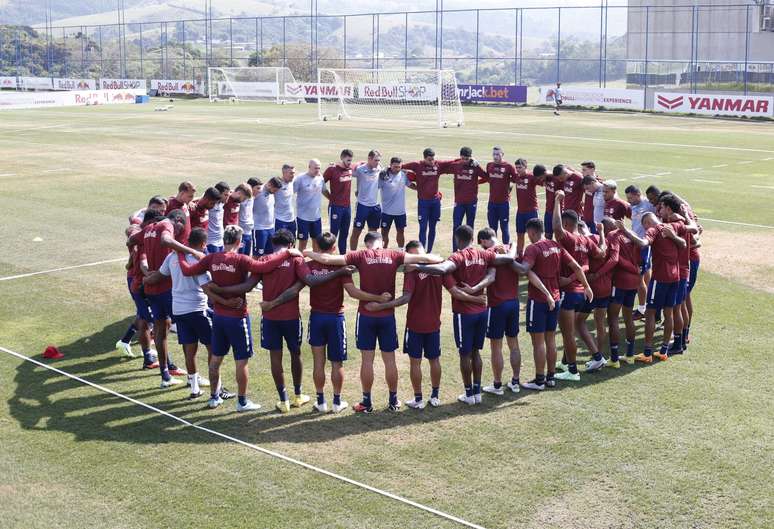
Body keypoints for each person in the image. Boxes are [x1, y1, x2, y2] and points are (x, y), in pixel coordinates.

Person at [303, 232, 443, 413]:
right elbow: (427, 257)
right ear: (382, 242)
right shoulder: (393, 255)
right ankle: (393, 401)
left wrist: (307, 252)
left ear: (366, 244)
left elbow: (327, 259)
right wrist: (433, 259)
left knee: (367, 361)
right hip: (387, 316)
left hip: (366, 314)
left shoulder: (360, 255)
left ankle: (367, 402)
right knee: (390, 360)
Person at [177, 225, 301, 411]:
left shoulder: (212, 258)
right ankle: (242, 402)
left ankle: (214, 397)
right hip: (237, 317)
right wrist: (288, 253)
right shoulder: (242, 259)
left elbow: (187, 271)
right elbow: (264, 266)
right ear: (238, 242)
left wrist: (179, 251)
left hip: (218, 317)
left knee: (216, 359)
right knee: (241, 360)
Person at [366, 240, 484, 409]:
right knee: (434, 360)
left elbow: (405, 298)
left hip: (415, 324)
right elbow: (455, 291)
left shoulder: (412, 270)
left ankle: (418, 399)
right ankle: (435, 397)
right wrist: (476, 298)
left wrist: (380, 306)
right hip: (434, 324)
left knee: (416, 362)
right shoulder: (439, 267)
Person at [413, 225, 520, 405]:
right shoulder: (483, 254)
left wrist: (417, 265)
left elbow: (442, 269)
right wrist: (514, 244)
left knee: (464, 354)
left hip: (464, 314)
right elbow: (509, 258)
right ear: (472, 238)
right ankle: (477, 392)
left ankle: (469, 394)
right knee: (476, 352)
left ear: (457, 238)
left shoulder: (458, 256)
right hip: (481, 312)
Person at [144, 228, 237, 399]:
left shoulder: (171, 257)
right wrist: (226, 302)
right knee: (213, 350)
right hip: (197, 310)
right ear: (203, 244)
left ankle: (194, 389)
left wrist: (146, 279)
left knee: (189, 350)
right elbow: (207, 288)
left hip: (178, 311)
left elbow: (159, 276)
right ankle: (218, 390)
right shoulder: (197, 261)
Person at [129, 209, 204, 388]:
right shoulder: (166, 224)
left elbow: (131, 240)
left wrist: (143, 267)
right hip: (166, 290)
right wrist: (192, 252)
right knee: (187, 333)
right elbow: (166, 240)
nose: (179, 231)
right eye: (181, 226)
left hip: (152, 290)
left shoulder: (147, 230)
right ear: (177, 220)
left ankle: (165, 376)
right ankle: (193, 378)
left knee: (161, 330)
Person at [303, 232, 377, 413]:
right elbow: (353, 292)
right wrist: (376, 298)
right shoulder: (340, 266)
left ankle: (320, 402)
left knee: (318, 363)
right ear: (334, 247)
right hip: (335, 318)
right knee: (337, 363)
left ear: (317, 248)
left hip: (317, 317)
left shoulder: (310, 265)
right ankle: (337, 402)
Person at [477, 228, 553, 396]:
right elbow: (524, 270)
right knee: (514, 344)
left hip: (497, 305)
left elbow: (490, 277)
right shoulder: (512, 249)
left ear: (483, 241)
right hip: (513, 303)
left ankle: (497, 385)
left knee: (496, 346)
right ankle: (516, 381)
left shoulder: (490, 254)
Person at [520, 218, 587, 390]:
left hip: (539, 299)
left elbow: (524, 270)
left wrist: (508, 258)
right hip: (556, 298)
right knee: (551, 339)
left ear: (532, 232)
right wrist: (586, 286)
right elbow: (577, 267)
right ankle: (550, 377)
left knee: (538, 341)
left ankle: (539, 380)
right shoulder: (556, 246)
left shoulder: (533, 249)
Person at [615, 210, 687, 363]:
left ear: (647, 223)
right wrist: (677, 229)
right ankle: (663, 351)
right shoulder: (672, 226)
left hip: (660, 279)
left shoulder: (652, 230)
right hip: (675, 277)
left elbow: (642, 243)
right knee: (669, 313)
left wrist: (625, 230)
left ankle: (647, 353)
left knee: (650, 313)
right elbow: (685, 242)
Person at [552, 190, 600, 382]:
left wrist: (557, 202)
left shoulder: (570, 238)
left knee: (567, 334)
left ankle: (572, 371)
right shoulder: (585, 240)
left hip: (570, 294)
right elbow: (594, 259)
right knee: (572, 331)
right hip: (582, 292)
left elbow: (556, 228)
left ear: (566, 224)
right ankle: (568, 363)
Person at [576, 219, 619, 372]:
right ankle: (599, 356)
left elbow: (583, 266)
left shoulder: (584, 243)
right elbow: (610, 258)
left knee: (578, 321)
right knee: (600, 322)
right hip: (606, 287)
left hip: (592, 288)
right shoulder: (602, 239)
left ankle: (597, 357)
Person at [118, 223, 157, 368]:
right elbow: (141, 265)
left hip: (138, 280)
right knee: (147, 318)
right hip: (138, 282)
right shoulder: (139, 245)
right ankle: (149, 355)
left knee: (144, 316)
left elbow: (129, 265)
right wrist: (152, 275)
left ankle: (125, 341)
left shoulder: (137, 247)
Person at [604, 216, 641, 366]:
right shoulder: (630, 233)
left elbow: (616, 258)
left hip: (620, 281)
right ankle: (630, 355)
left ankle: (614, 359)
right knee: (628, 317)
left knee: (612, 319)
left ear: (607, 228)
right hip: (634, 282)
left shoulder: (612, 236)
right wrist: (636, 269)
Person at [402, 148, 451, 252]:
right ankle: (422, 251)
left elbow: (452, 162)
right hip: (423, 202)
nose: (432, 161)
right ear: (424, 158)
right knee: (423, 227)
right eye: (429, 159)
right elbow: (400, 166)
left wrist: (469, 159)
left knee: (433, 227)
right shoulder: (417, 165)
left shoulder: (437, 165)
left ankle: (429, 251)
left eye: (433, 159)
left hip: (435, 202)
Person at [442, 146, 487, 251]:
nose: (465, 161)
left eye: (467, 159)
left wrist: (477, 181)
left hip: (471, 202)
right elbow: (442, 167)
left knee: (470, 226)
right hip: (459, 202)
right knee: (456, 226)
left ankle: (468, 250)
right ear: (460, 157)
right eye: (463, 158)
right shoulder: (455, 166)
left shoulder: (475, 166)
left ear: (471, 157)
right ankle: (455, 251)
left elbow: (486, 177)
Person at [625, 184, 656, 319]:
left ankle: (642, 309)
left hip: (645, 244)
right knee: (645, 276)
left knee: (639, 278)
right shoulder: (633, 206)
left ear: (638, 194)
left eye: (631, 198)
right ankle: (648, 305)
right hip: (636, 244)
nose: (629, 201)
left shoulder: (648, 205)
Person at [481, 146, 517, 246]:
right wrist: (475, 182)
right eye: (494, 154)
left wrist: (510, 185)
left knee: (504, 227)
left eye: (497, 154)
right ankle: (493, 250)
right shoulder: (489, 165)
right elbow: (487, 178)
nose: (495, 156)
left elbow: (516, 179)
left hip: (503, 203)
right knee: (492, 229)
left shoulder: (508, 166)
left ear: (502, 154)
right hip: (492, 203)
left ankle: (506, 250)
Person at [350, 150, 383, 250]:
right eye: (375, 160)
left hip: (375, 206)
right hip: (363, 206)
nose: (377, 162)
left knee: (373, 233)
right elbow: (347, 169)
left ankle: (371, 254)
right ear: (369, 159)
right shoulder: (360, 170)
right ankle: (353, 254)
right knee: (356, 231)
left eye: (378, 160)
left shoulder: (380, 168)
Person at [323, 149, 354, 254]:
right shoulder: (332, 170)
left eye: (351, 160)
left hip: (347, 207)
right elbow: (320, 184)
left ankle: (343, 256)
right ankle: (329, 256)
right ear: (342, 158)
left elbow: (361, 163)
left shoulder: (350, 168)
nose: (349, 163)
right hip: (335, 207)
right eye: (348, 160)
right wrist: (330, 197)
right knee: (333, 234)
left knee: (344, 233)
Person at [378, 156, 412, 249]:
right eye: (394, 167)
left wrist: (421, 189)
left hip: (400, 212)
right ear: (390, 165)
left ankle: (401, 251)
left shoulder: (403, 174)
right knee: (384, 233)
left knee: (401, 232)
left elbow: (410, 184)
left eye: (399, 167)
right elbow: (374, 187)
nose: (397, 169)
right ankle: (384, 252)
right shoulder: (383, 176)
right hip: (386, 212)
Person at [294, 159, 325, 252]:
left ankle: (314, 263)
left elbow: (324, 190)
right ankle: (300, 263)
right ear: (309, 167)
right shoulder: (300, 178)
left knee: (316, 241)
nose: (317, 170)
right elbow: (290, 192)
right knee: (303, 242)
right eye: (315, 168)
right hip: (303, 217)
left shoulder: (320, 178)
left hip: (316, 217)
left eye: (319, 168)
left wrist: (332, 199)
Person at [513, 157, 540, 255]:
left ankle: (538, 254)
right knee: (520, 234)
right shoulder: (516, 177)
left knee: (534, 235)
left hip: (531, 211)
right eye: (516, 167)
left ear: (525, 167)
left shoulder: (531, 177)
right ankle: (519, 255)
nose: (518, 169)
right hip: (520, 212)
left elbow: (542, 181)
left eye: (520, 167)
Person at [251, 177, 281, 257]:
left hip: (271, 228)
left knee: (269, 254)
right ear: (269, 185)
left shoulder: (271, 193)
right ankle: (255, 269)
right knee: (258, 255)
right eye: (274, 190)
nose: (275, 192)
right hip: (259, 229)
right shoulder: (258, 191)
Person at [207, 181, 231, 253]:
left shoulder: (221, 203)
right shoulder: (210, 205)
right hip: (211, 242)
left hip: (221, 242)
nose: (228, 197)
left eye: (228, 195)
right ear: (218, 194)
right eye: (225, 195)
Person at [274, 164, 297, 236]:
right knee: (279, 244)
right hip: (280, 220)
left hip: (292, 220)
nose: (293, 175)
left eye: (293, 173)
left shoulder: (293, 182)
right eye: (291, 173)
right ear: (284, 173)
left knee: (292, 244)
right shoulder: (277, 184)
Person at [534, 164, 556, 239]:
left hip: (557, 211)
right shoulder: (545, 179)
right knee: (547, 235)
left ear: (545, 173)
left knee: (559, 235)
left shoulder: (556, 178)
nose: (540, 180)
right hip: (548, 210)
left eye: (541, 177)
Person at [238, 181, 255, 255]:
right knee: (240, 255)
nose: (247, 199)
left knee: (247, 256)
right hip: (241, 233)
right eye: (245, 197)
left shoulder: (251, 199)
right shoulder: (238, 202)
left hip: (249, 233)